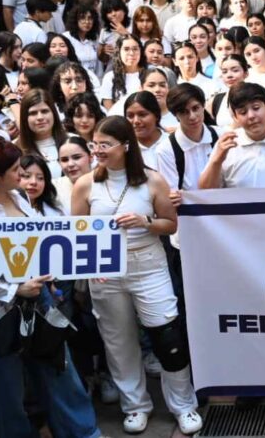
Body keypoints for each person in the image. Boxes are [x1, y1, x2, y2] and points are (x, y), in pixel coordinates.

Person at [0, 138, 101, 437]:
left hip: (40, 303)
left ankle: (83, 432)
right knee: (7, 391)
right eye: (17, 169)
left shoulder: (19, 200)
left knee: (61, 372)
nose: (24, 175)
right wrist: (13, 290)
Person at [70, 116, 203, 435]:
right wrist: (90, 267)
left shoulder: (151, 180)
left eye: (105, 144)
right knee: (119, 342)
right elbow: (77, 232)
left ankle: (184, 405)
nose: (98, 150)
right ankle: (135, 405)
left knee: (167, 335)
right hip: (105, 272)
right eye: (95, 144)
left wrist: (145, 222)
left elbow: (170, 224)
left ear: (125, 146)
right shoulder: (86, 184)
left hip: (147, 264)